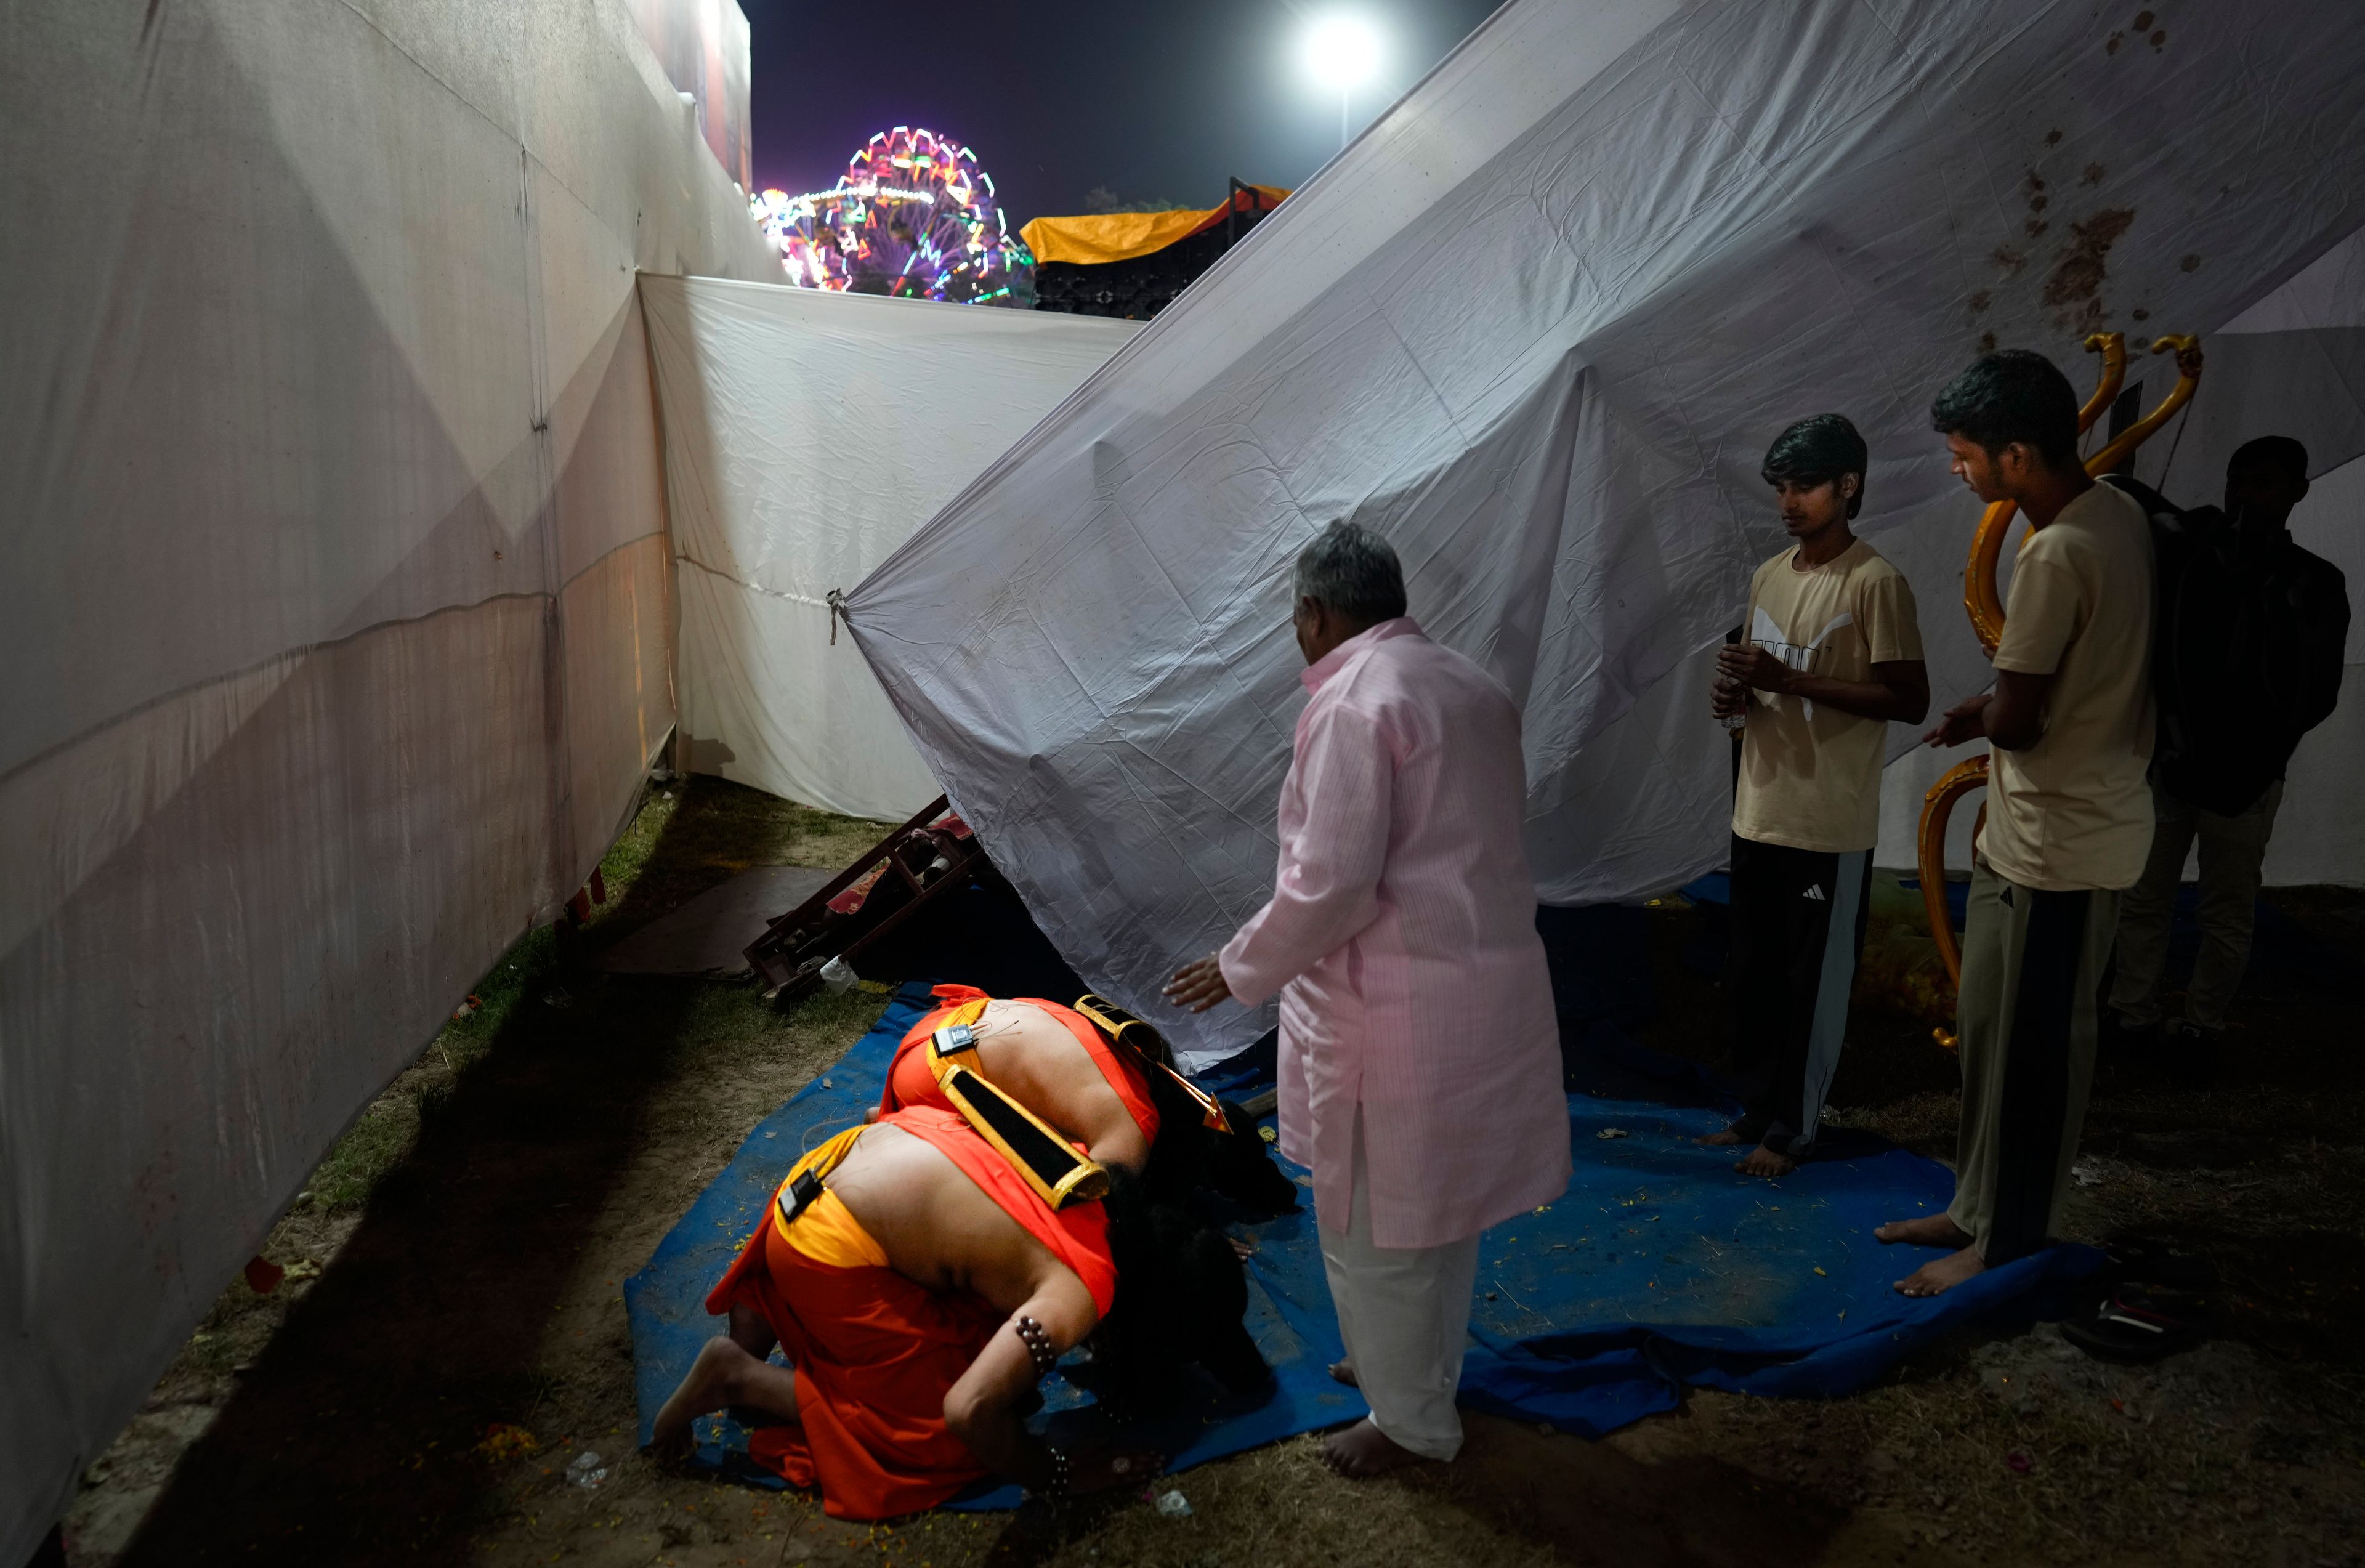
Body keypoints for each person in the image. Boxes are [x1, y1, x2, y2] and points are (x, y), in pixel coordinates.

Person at [1165, 520, 1569, 1477]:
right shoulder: (1468, 683)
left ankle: (1411, 1419)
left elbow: (1331, 886)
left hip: (1391, 1009)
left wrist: (1238, 966)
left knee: (1374, 1227)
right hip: (1477, 985)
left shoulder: (1355, 703)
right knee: (1441, 1210)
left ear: (1313, 612)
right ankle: (1412, 1370)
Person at [1878, 347, 2170, 1296]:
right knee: (1994, 1027)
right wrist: (1997, 706)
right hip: (2033, 829)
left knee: (2041, 1050)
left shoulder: (2059, 549)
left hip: (2066, 844)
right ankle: (1973, 1203)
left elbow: (2025, 713)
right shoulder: (2115, 508)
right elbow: (2047, 687)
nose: (1960, 473)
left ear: (2014, 456)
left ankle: (2009, 1240)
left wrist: (1993, 711)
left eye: (1965, 457)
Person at [649, 1104, 1243, 1517]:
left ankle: (776, 1319)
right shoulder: (1083, 1291)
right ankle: (739, 1377)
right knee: (946, 1438)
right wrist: (1055, 1474)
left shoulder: (1099, 1183)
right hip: (823, 1239)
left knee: (989, 1340)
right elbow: (968, 1411)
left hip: (842, 1162)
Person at [1707, 414, 1929, 1177]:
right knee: (1753, 971)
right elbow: (1763, 680)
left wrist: (1788, 680)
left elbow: (1908, 698)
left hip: (1827, 820)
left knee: (1810, 981)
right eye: (1781, 487)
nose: (1789, 501)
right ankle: (1758, 1111)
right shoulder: (1770, 574)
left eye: (1804, 485)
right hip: (1760, 806)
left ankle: (1794, 1128)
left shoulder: (1876, 582)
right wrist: (1736, 698)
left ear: (1848, 486)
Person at [2109, 437, 2350, 1072]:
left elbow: (2317, 692)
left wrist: (2258, 754)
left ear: (2298, 489)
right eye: (2237, 481)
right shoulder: (2196, 554)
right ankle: (2132, 1013)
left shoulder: (2314, 582)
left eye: (2264, 484)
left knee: (2225, 906)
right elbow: (2126, 493)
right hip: (2176, 764)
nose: (2246, 496)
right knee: (2144, 896)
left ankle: (2199, 1026)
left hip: (2244, 775)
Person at [873, 984, 1299, 1212]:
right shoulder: (1132, 1133)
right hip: (937, 1075)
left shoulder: (1153, 1060)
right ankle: (909, 1122)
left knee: (1061, 1109)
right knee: (1056, 1189)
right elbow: (1100, 1217)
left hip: (950, 1022)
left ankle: (903, 1116)